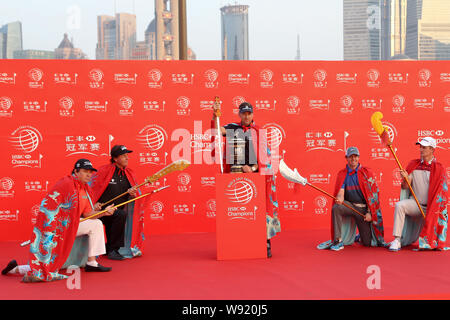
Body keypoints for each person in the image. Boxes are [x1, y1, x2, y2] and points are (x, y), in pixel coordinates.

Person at [2, 159, 116, 282]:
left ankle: (92, 263)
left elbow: (88, 214)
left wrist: (104, 212)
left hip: (72, 224)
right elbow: (50, 208)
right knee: (50, 265)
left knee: (96, 224)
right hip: (56, 227)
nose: (89, 175)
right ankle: (15, 269)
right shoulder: (66, 184)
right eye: (85, 171)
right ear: (76, 172)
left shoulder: (86, 189)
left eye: (90, 172)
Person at [212, 101, 280, 258]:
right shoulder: (232, 128)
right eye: (244, 113)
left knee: (260, 212)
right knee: (238, 211)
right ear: (239, 114)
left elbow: (266, 158)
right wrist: (214, 115)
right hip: (235, 177)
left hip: (256, 176)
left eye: (249, 113)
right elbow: (216, 130)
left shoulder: (259, 131)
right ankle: (237, 242)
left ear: (253, 114)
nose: (246, 116)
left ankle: (266, 243)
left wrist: (253, 168)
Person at [317, 147, 385, 251]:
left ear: (359, 157)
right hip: (350, 206)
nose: (353, 159)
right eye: (351, 156)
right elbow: (341, 193)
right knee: (337, 207)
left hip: (363, 210)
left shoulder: (367, 173)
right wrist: (339, 199)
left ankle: (359, 236)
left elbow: (373, 196)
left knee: (367, 243)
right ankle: (338, 240)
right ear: (346, 158)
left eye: (355, 156)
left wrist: (369, 213)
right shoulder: (343, 174)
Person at [388, 137, 448, 251]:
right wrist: (405, 178)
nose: (421, 150)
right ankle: (397, 240)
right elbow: (405, 186)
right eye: (420, 147)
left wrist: (434, 209)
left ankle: (434, 240)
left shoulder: (439, 168)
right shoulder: (413, 164)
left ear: (432, 150)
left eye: (424, 147)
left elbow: (442, 195)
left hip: (432, 209)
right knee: (400, 205)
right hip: (416, 204)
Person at [91, 145, 144, 259]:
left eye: (127, 156)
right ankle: (112, 249)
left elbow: (134, 196)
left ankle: (111, 248)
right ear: (115, 158)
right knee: (120, 215)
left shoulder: (129, 173)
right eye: (123, 156)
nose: (127, 158)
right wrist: (93, 204)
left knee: (119, 214)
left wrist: (132, 193)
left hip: (116, 210)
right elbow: (91, 189)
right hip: (99, 210)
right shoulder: (103, 171)